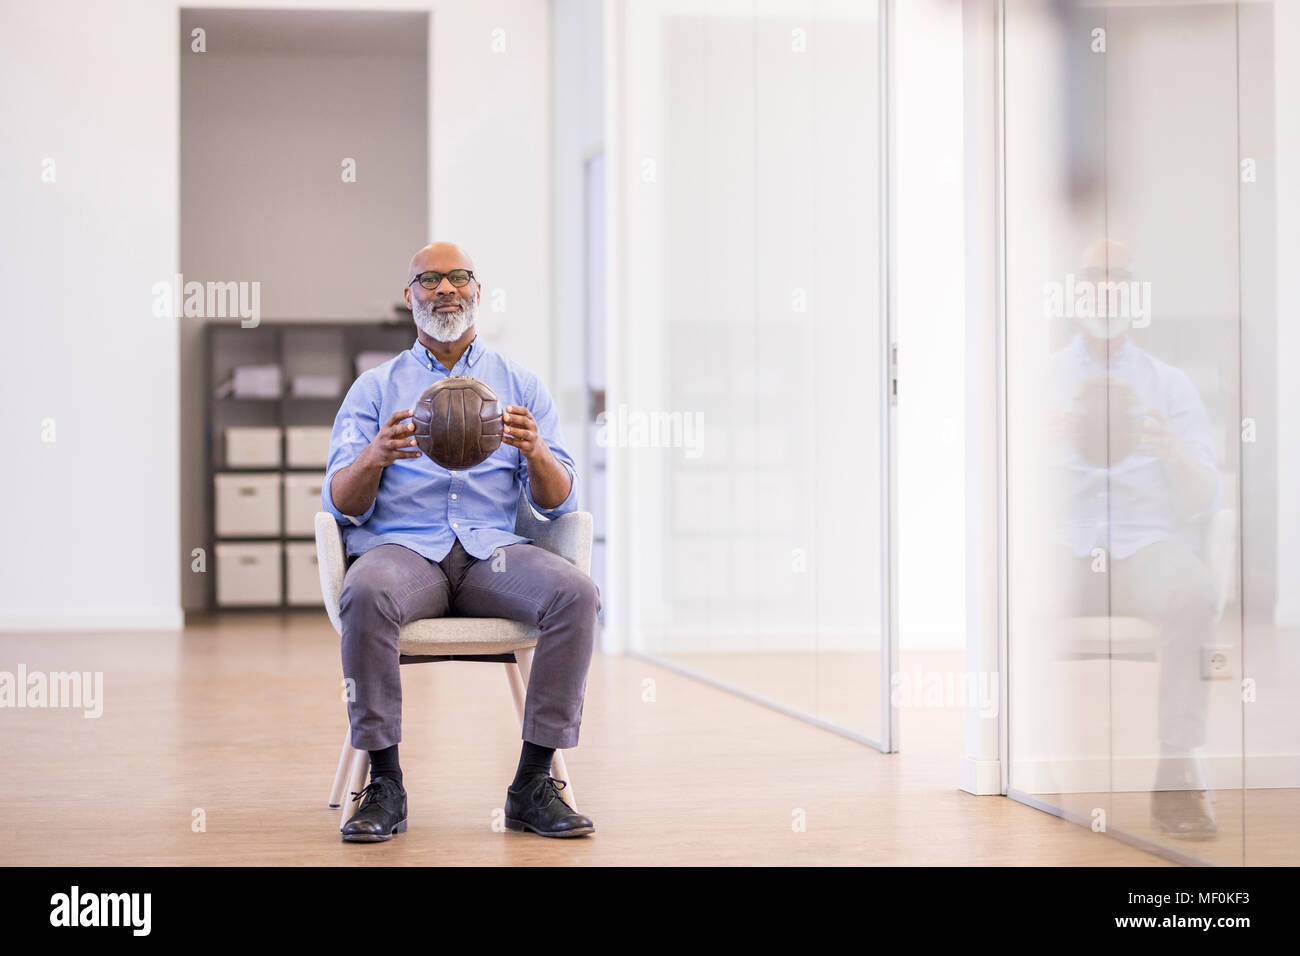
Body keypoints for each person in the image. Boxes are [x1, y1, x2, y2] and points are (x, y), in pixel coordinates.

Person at [322, 241, 600, 841]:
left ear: (477, 291)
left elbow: (560, 502)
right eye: (429, 280)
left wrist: (535, 450)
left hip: (492, 556)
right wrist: (375, 455)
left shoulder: (520, 384)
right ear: (410, 296)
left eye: (458, 277)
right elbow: (340, 504)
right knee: (366, 592)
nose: (444, 288)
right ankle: (385, 781)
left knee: (575, 593)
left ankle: (532, 782)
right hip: (404, 554)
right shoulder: (374, 389)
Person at [1041, 239, 1224, 840]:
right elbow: (994, 490)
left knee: (1195, 590)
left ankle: (1177, 777)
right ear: (1075, 289)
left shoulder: (1168, 385)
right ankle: (1033, 761)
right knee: (1008, 588)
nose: (1107, 288)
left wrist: (1170, 448)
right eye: (1095, 275)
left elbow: (1205, 499)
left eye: (1120, 277)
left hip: (1145, 548)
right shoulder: (1039, 380)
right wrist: (1036, 444)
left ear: (1137, 292)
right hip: (1064, 546)